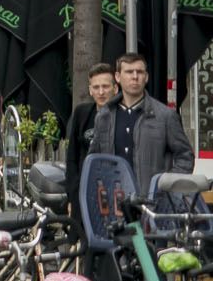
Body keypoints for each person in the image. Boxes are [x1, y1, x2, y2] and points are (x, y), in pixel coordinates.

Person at [91, 51, 195, 189]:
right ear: (117, 77)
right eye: (129, 72)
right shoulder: (104, 117)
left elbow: (185, 157)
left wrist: (165, 187)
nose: (135, 77)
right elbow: (94, 161)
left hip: (153, 205)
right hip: (114, 203)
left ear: (146, 77)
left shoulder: (166, 116)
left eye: (139, 72)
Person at [64, 61, 118, 207]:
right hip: (84, 194)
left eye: (105, 87)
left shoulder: (123, 116)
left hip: (115, 193)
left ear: (115, 88)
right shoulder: (82, 113)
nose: (101, 92)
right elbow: (72, 158)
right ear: (90, 90)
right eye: (96, 87)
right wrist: (72, 196)